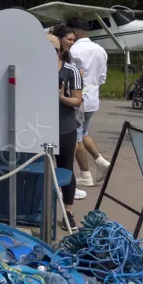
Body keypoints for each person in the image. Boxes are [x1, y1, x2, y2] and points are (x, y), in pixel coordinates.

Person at [66, 19, 112, 186]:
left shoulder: (73, 50)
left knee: (75, 136)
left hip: (76, 96)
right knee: (82, 132)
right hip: (93, 96)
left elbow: (68, 74)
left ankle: (85, 174)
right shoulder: (100, 50)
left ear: (74, 32)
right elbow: (102, 78)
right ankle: (100, 161)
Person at [50, 31, 83, 230]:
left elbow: (77, 100)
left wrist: (61, 98)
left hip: (64, 127)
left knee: (66, 169)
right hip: (37, 128)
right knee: (38, 169)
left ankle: (68, 211)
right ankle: (39, 207)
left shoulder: (71, 71)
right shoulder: (32, 70)